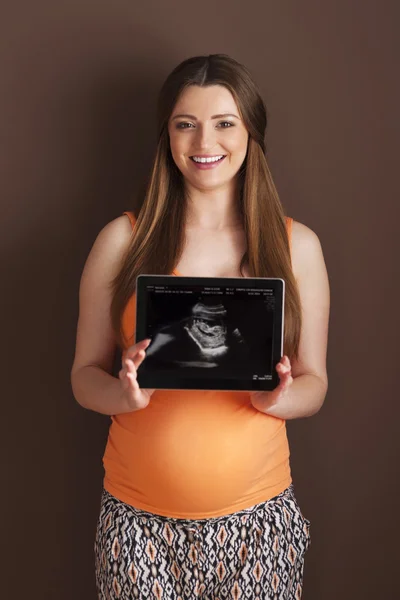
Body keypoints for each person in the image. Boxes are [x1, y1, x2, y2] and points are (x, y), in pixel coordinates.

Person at [71, 53, 330, 600]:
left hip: (258, 525)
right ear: (167, 135)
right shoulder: (122, 242)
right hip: (136, 523)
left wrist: (276, 399)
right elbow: (82, 377)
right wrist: (123, 393)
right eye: (184, 123)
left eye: (224, 122)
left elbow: (315, 384)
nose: (202, 140)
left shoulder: (295, 246)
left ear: (250, 132)